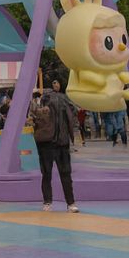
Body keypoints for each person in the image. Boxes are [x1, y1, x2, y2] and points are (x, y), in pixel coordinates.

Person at [30, 82, 80, 212]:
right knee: (61, 174)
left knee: (51, 173)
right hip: (56, 142)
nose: (55, 84)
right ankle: (68, 203)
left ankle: (51, 202)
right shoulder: (56, 99)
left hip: (54, 142)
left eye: (57, 82)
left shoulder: (59, 99)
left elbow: (73, 113)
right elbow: (74, 113)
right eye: (54, 82)